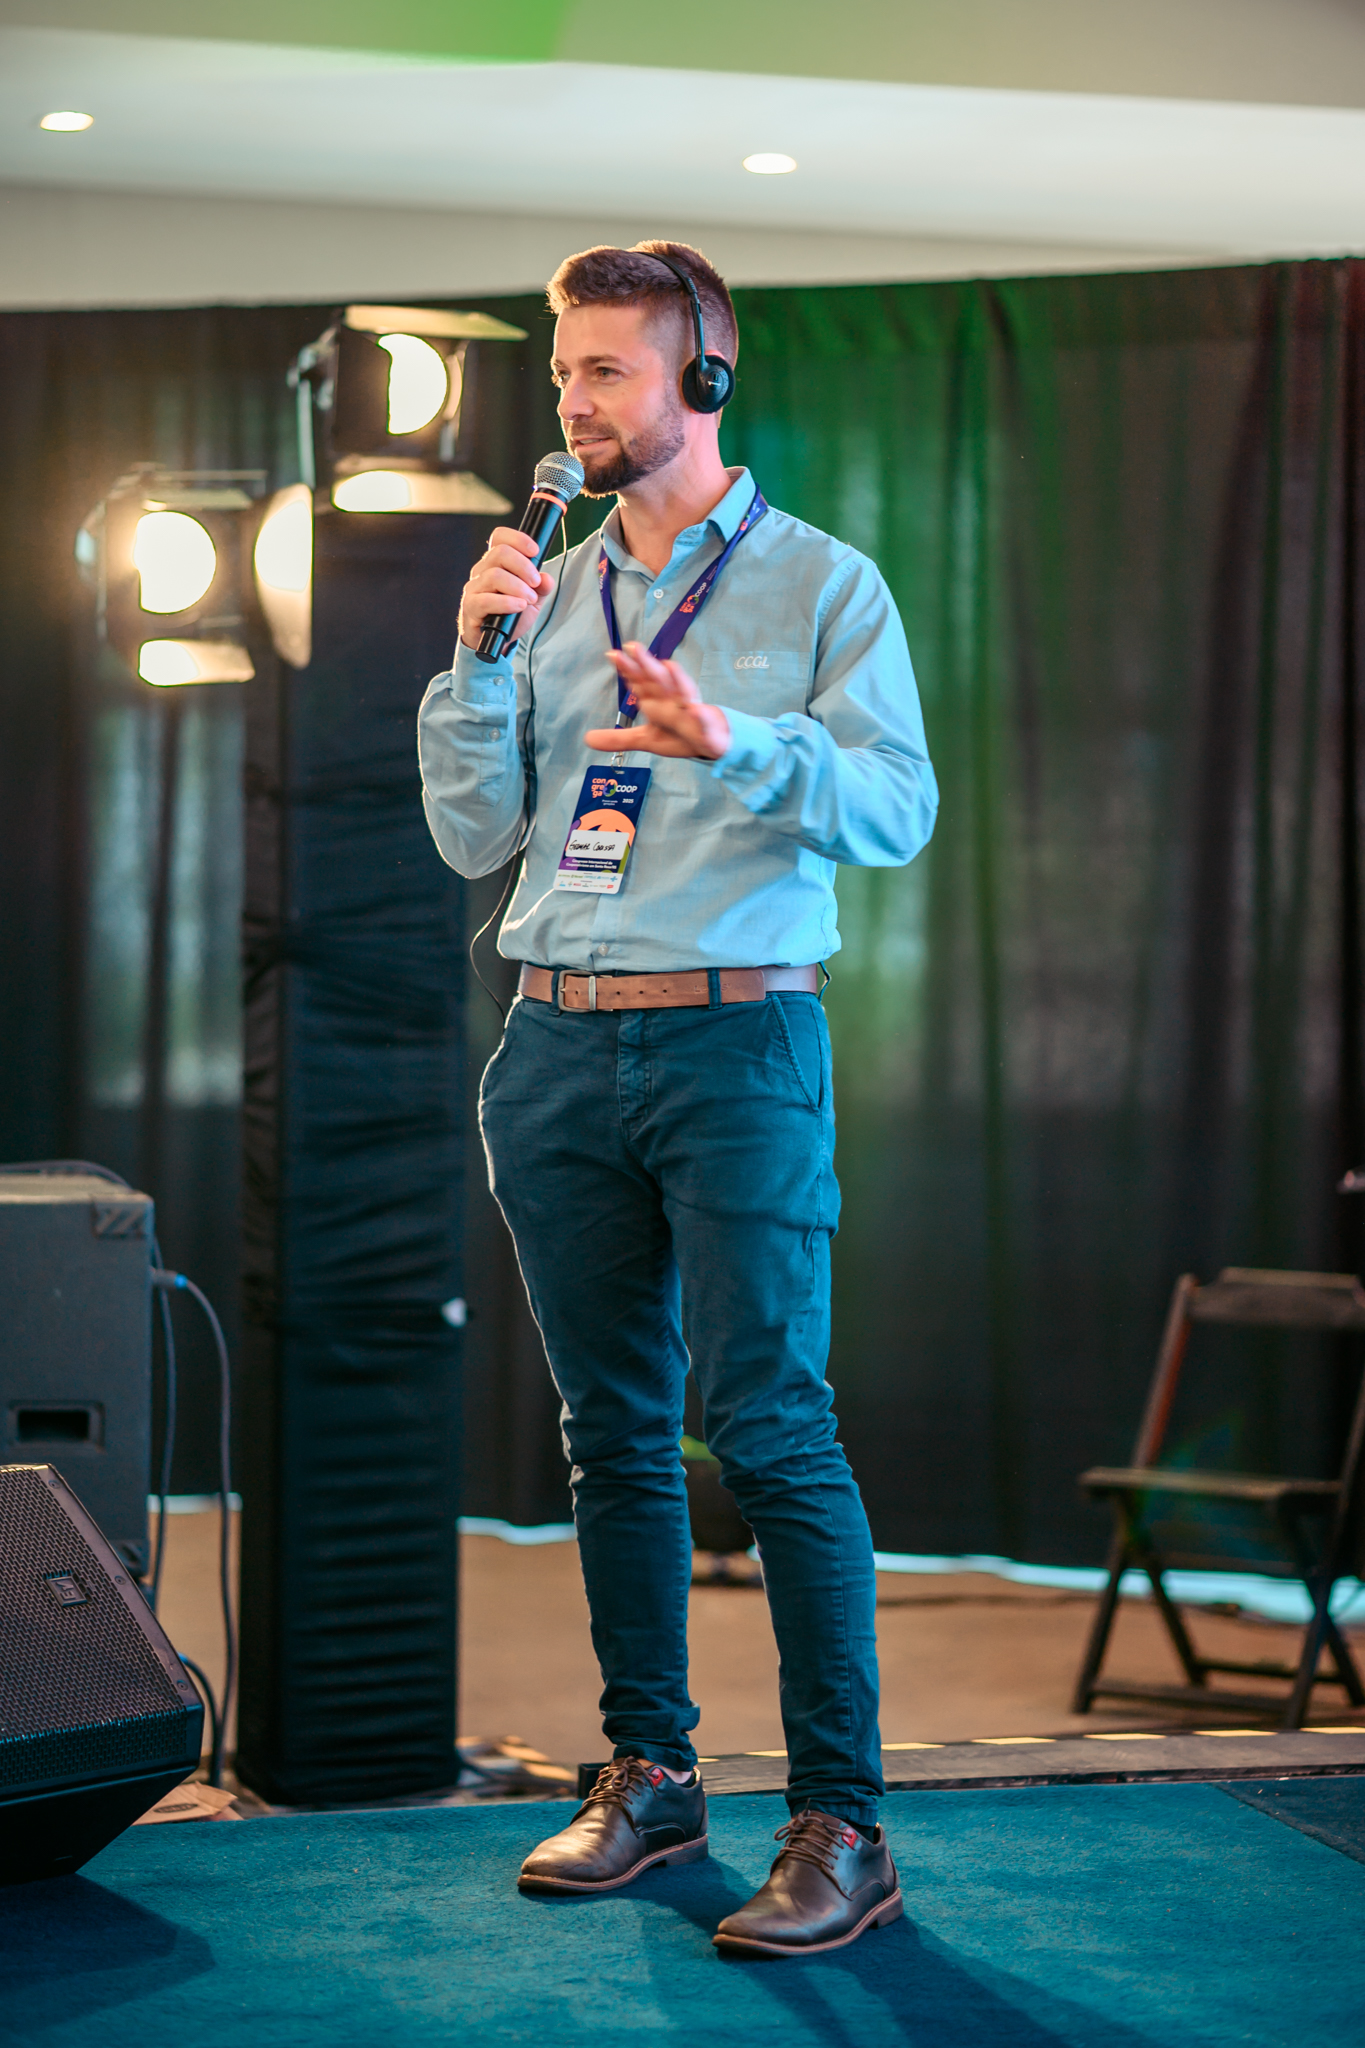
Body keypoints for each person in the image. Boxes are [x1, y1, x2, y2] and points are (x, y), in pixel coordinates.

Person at [418, 241, 937, 1958]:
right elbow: (474, 836)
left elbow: (897, 809)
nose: (571, 401)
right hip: (553, 1047)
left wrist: (737, 745)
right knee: (611, 1435)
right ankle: (650, 1776)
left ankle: (842, 1826)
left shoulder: (822, 584)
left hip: (735, 1045)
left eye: (607, 371)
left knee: (771, 1427)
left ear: (702, 379)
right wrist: (475, 661)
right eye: (562, 370)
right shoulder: (550, 587)